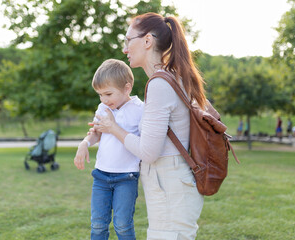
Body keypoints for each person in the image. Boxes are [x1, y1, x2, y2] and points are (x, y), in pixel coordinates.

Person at [92, 12, 205, 240]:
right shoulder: (174, 76)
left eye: (128, 40)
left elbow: (148, 152)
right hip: (172, 185)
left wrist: (114, 128)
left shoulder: (160, 85)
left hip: (170, 187)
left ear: (147, 41)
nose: (125, 49)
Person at [74, 59, 143, 240]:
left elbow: (143, 143)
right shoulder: (103, 107)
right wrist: (85, 143)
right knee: (97, 224)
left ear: (126, 88)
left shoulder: (140, 109)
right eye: (100, 95)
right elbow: (97, 133)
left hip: (126, 177)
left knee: (122, 224)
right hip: (101, 177)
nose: (104, 99)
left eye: (108, 94)